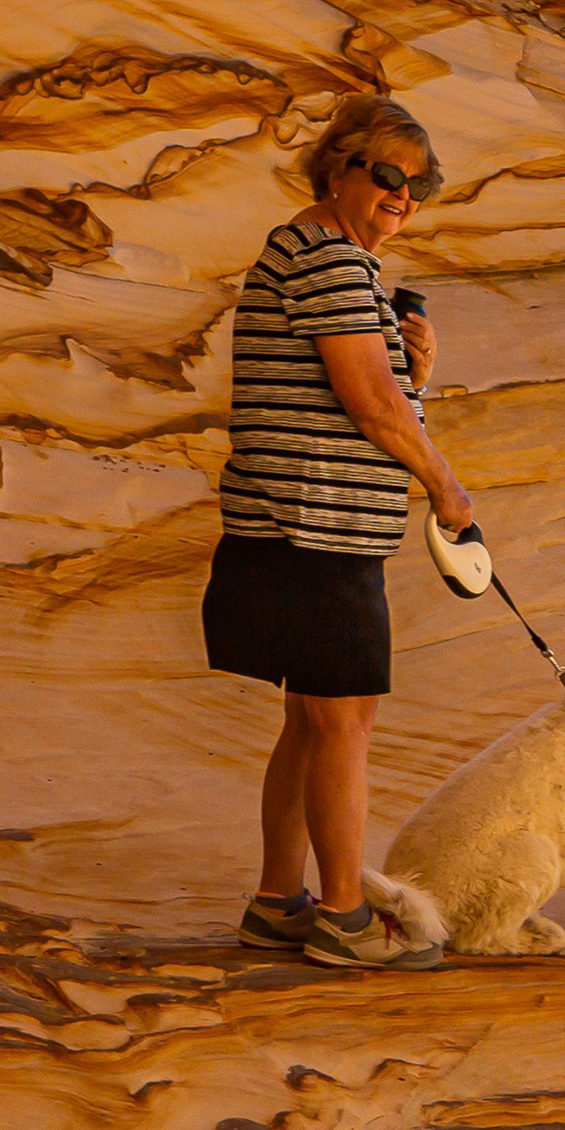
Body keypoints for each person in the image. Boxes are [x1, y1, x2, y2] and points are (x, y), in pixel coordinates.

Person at [204, 96, 477, 968]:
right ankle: (345, 918)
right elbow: (371, 406)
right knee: (342, 724)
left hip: (301, 522)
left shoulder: (329, 260)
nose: (402, 195)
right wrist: (447, 487)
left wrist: (417, 373)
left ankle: (277, 903)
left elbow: (378, 401)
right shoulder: (325, 258)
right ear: (339, 169)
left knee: (312, 720)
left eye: (418, 184)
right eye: (386, 174)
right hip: (312, 527)